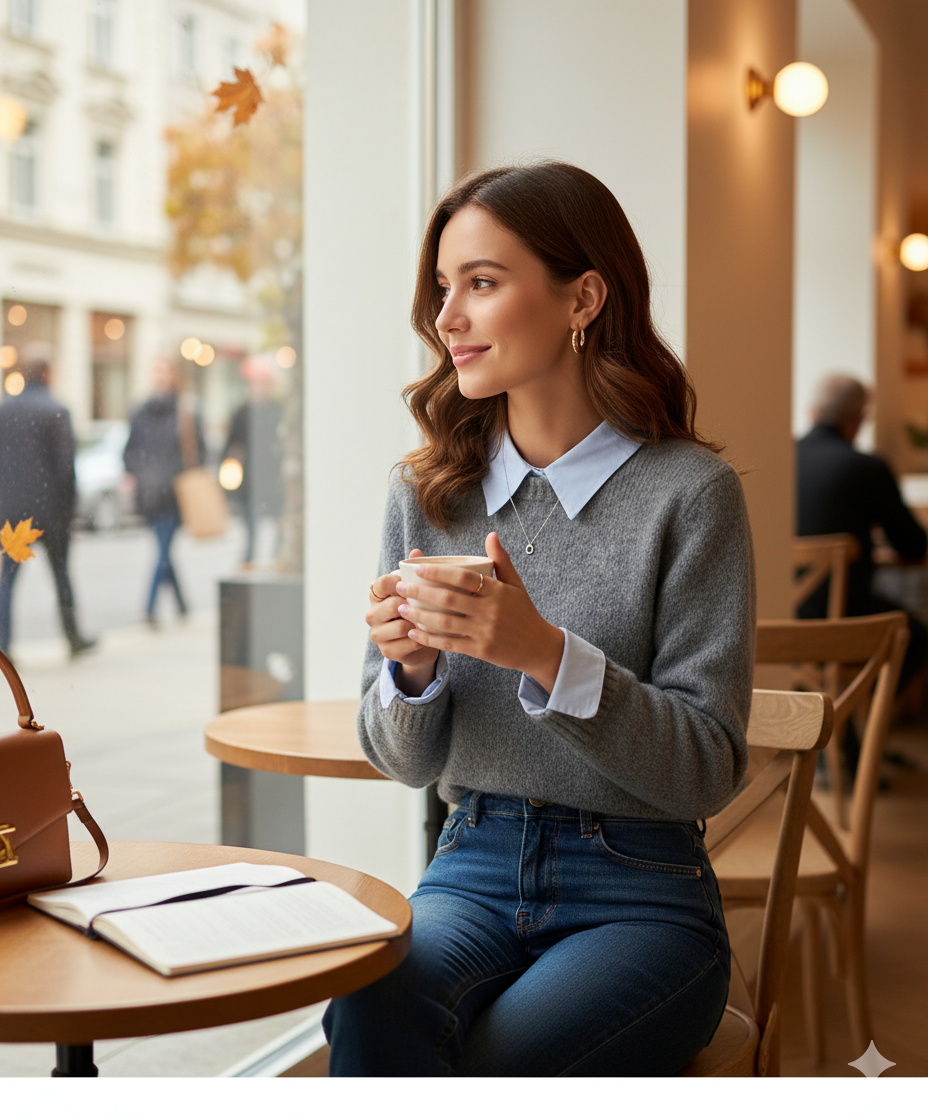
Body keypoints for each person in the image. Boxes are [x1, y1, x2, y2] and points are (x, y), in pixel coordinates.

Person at [322, 162, 756, 1076]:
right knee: (369, 1007)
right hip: (469, 859)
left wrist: (545, 655)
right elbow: (401, 760)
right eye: (443, 289)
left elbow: (707, 768)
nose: (447, 319)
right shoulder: (426, 492)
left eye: (481, 283)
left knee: (500, 1065)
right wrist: (409, 677)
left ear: (583, 298)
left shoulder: (691, 495)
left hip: (640, 888)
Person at [797, 373, 928, 696]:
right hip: (843, 622)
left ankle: (837, 728)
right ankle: (855, 721)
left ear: (810, 412)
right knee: (916, 636)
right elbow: (914, 545)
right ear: (859, 419)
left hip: (779, 617)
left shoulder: (777, 460)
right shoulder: (867, 468)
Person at [0, 355, 96, 657]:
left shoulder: (5, 410)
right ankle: (72, 636)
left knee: (7, 581)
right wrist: (70, 508)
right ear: (47, 373)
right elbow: (66, 468)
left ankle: (3, 645)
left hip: (14, 514)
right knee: (60, 575)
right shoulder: (56, 410)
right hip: (50, 511)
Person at [123, 356, 205, 626]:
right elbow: (130, 450)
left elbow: (199, 452)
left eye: (165, 372)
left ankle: (149, 608)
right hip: (149, 494)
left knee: (162, 549)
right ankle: (182, 604)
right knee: (164, 550)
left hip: (175, 493)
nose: (161, 377)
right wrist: (139, 475)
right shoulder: (141, 411)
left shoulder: (186, 411)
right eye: (157, 371)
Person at [222, 355, 284, 565]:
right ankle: (248, 563)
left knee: (280, 528)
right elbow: (230, 446)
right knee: (250, 534)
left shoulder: (277, 410)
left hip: (273, 480)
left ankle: (278, 562)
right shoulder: (242, 412)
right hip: (249, 481)